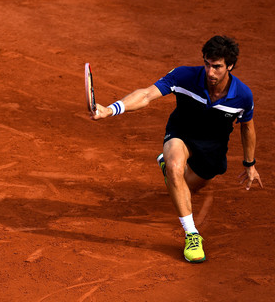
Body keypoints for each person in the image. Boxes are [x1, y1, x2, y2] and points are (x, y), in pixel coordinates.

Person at [92, 35, 263, 263]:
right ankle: (192, 234)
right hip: (181, 134)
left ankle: (170, 169)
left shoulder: (242, 95)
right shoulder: (185, 76)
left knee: (189, 186)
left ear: (230, 66)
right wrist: (111, 110)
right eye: (207, 64)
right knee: (174, 169)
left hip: (212, 147)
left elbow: (247, 128)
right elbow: (146, 94)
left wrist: (249, 164)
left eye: (217, 67)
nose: (210, 72)